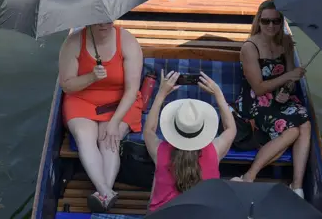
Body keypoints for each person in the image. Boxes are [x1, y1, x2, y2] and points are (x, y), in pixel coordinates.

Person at [58, 22, 144, 212]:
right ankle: (106, 192)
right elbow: (67, 86)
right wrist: (91, 77)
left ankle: (103, 194)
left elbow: (131, 90)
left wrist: (114, 122)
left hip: (120, 101)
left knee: (108, 139)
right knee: (83, 136)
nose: (105, 24)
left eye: (108, 19)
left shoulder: (127, 41)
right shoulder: (72, 43)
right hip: (82, 99)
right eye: (99, 20)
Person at [231, 0, 311, 198]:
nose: (271, 26)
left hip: (280, 98)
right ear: (259, 20)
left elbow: (290, 77)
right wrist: (287, 77)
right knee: (293, 131)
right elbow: (258, 88)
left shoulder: (286, 42)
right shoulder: (250, 48)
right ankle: (250, 175)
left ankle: (297, 185)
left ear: (281, 21)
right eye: (266, 21)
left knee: (306, 124)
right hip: (256, 101)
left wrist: (289, 86)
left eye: (276, 21)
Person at [143, 70, 237, 213]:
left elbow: (149, 130)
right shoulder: (214, 151)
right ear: (202, 128)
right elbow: (231, 129)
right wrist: (218, 94)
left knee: (156, 180)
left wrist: (161, 94)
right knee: (237, 181)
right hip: (202, 215)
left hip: (162, 215)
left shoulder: (160, 151)